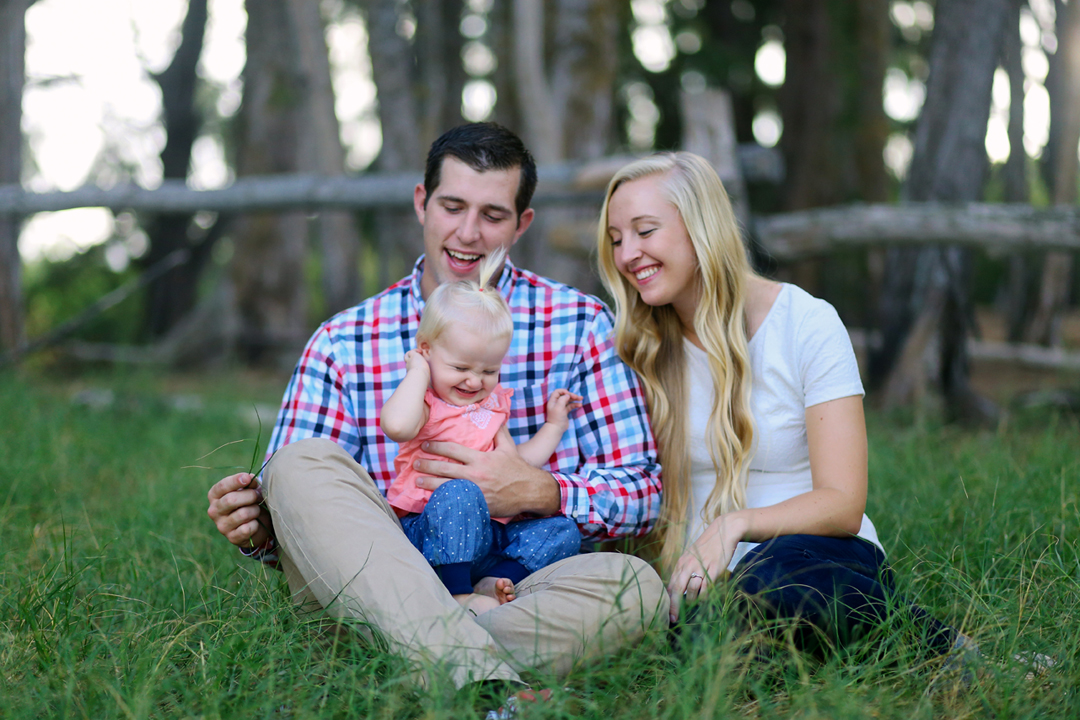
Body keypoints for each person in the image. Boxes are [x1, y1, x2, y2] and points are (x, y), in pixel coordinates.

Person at [206, 123, 667, 694]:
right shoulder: (345, 340)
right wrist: (256, 526)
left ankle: (407, 659)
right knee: (298, 465)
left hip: (513, 581)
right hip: (384, 569)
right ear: (423, 203)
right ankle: (483, 684)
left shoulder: (578, 325)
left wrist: (540, 491)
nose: (468, 233)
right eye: (452, 206)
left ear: (521, 224)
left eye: (493, 215)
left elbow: (642, 491)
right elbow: (304, 517)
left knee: (637, 586)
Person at [596, 151, 971, 659]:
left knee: (769, 582)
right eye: (617, 240)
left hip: (816, 556)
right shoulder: (638, 347)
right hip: (706, 583)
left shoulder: (805, 322)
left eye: (644, 231)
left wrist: (734, 526)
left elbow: (842, 503)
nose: (626, 255)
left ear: (700, 226)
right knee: (711, 629)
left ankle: (935, 646)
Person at [381, 247, 583, 617]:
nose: (475, 380)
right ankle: (456, 595)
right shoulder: (425, 401)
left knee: (562, 529)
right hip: (429, 531)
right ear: (427, 351)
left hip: (487, 538)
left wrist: (554, 426)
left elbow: (518, 463)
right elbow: (395, 426)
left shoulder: (492, 406)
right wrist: (418, 372)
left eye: (489, 371)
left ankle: (494, 581)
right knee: (459, 492)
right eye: (460, 367)